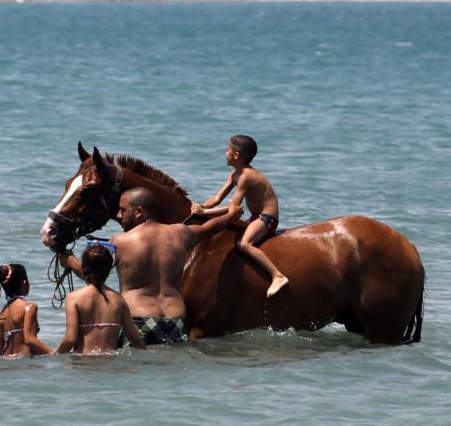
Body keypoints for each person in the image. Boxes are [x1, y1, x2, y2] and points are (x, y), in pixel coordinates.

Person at [60, 186, 242, 345]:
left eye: (123, 210)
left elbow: (92, 274)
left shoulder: (120, 241)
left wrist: (68, 261)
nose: (118, 215)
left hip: (138, 321)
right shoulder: (180, 233)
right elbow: (210, 228)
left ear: (139, 211)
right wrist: (231, 215)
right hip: (175, 320)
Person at [191, 134, 289, 298]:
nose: (224, 153)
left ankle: (277, 276)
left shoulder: (246, 176)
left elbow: (234, 209)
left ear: (236, 155)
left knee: (244, 244)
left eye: (227, 150)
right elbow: (216, 199)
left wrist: (205, 213)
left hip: (267, 219)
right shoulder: (234, 174)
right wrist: (200, 206)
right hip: (255, 217)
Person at [55, 241, 145, 355]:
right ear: (108, 270)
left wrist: (54, 355)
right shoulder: (119, 300)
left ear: (83, 267)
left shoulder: (73, 298)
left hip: (84, 363)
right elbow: (136, 338)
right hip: (111, 363)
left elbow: (70, 339)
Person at [0, 263, 52, 358]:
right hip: (24, 365)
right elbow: (30, 340)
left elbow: (0, 350)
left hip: (6, 363)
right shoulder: (30, 307)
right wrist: (54, 352)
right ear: (24, 283)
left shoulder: (1, 314)